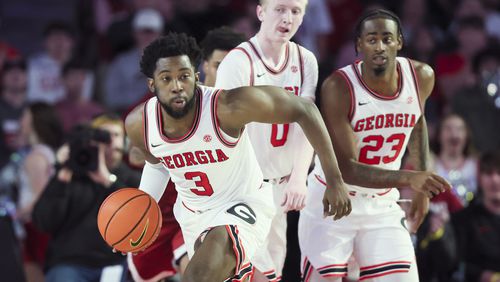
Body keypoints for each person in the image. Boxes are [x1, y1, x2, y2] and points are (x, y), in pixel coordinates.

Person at [124, 32, 351, 282]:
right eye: (166, 78)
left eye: (184, 77)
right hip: (193, 214)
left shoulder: (226, 107)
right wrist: (140, 213)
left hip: (243, 203)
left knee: (198, 276)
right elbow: (157, 165)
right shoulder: (139, 124)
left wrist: (334, 179)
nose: (177, 86)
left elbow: (305, 109)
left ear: (196, 77)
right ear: (152, 84)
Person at [298, 9, 451, 281]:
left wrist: (421, 191)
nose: (379, 46)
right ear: (359, 45)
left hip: (381, 205)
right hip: (333, 202)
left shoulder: (421, 76)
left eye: (386, 38)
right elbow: (348, 169)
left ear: (399, 42)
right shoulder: (339, 87)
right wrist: (411, 178)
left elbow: (417, 121)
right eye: (371, 39)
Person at [128, 26, 245, 282]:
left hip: (221, 211)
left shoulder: (236, 108)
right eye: (218, 65)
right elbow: (152, 162)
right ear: (205, 67)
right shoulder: (147, 118)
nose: (225, 72)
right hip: (171, 212)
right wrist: (140, 209)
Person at [214, 0, 318, 279]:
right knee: (254, 273)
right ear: (261, 12)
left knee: (272, 273)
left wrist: (298, 177)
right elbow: (221, 131)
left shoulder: (305, 59)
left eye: (295, 11)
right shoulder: (238, 61)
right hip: (243, 188)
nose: (287, 18)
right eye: (280, 9)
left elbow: (308, 123)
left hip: (280, 187)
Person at [32, 113, 141, 282]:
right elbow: (43, 221)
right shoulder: (72, 175)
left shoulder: (132, 178)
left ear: (125, 143)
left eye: (116, 135)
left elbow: (139, 215)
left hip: (116, 262)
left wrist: (106, 180)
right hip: (70, 262)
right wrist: (62, 174)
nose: (110, 141)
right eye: (103, 136)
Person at [451, 150, 500, 282]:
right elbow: (457, 265)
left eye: (499, 173)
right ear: (480, 179)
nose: (495, 179)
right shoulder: (465, 219)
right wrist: (484, 276)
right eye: (488, 173)